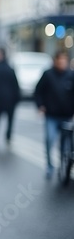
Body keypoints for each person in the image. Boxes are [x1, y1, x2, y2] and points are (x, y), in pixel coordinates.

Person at [34, 50, 74, 179]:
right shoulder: (48, 74)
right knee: (50, 140)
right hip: (51, 115)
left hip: (66, 116)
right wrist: (40, 106)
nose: (62, 63)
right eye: (60, 60)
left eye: (64, 61)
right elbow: (38, 91)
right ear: (55, 61)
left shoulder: (71, 75)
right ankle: (50, 166)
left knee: (66, 145)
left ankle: (63, 166)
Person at [0, 47, 21, 144]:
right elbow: (16, 86)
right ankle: (8, 136)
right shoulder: (10, 69)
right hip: (10, 100)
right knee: (9, 120)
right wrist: (16, 99)